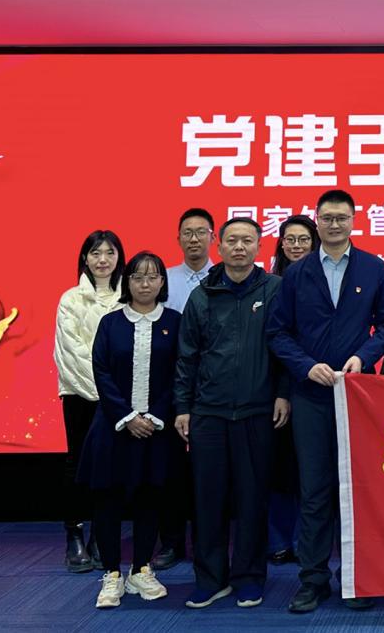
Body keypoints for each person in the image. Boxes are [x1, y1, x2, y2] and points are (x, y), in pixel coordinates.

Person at [267, 189, 384, 614]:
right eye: (327, 218)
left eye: (342, 217)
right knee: (315, 489)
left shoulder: (373, 267)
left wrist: (364, 357)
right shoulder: (297, 273)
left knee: (358, 490)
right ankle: (313, 579)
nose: (335, 224)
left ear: (354, 220)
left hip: (359, 396)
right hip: (311, 396)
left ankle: (356, 578)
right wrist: (305, 367)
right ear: (317, 221)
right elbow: (278, 333)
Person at [172, 217, 291, 610]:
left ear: (259, 246)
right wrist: (183, 407)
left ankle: (249, 578)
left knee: (252, 499)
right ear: (219, 246)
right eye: (232, 241)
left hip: (258, 411)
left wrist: (283, 393)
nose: (240, 247)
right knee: (208, 500)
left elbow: (286, 347)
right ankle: (210, 579)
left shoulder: (275, 289)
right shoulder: (202, 295)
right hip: (208, 413)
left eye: (247, 241)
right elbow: (187, 356)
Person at [78, 251, 180, 608]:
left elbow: (179, 374)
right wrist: (126, 416)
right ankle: (111, 574)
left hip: (156, 430)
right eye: (137, 277)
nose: (145, 283)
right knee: (108, 500)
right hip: (114, 427)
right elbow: (101, 372)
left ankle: (140, 569)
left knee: (149, 498)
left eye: (152, 277)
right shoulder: (111, 323)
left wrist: (154, 417)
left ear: (162, 282)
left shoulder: (175, 322)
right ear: (127, 282)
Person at [54, 230, 125, 573]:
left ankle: (101, 534)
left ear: (119, 257)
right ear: (85, 258)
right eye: (96, 253)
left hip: (119, 398)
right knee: (78, 465)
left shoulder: (128, 297)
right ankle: (74, 536)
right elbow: (72, 352)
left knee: (110, 467)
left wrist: (118, 395)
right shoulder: (71, 299)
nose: (102, 260)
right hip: (81, 395)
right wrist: (105, 392)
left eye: (109, 253)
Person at [155, 207, 216, 571]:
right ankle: (172, 541)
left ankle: (209, 541)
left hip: (214, 384)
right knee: (172, 468)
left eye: (201, 232)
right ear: (178, 238)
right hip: (171, 382)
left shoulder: (225, 278)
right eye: (187, 233)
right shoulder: (164, 280)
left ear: (213, 238)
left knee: (210, 471)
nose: (194, 239)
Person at [266, 214, 320, 566]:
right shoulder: (269, 283)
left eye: (303, 239)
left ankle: (303, 541)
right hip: (269, 387)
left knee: (307, 469)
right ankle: (277, 540)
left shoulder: (320, 283)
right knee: (275, 467)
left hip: (309, 385)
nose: (297, 245)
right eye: (290, 239)